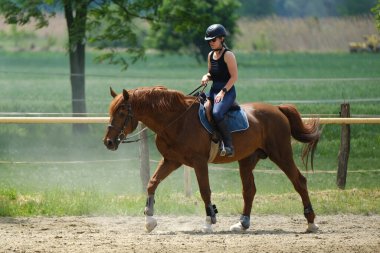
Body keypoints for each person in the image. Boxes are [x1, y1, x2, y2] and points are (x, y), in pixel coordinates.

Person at [201, 24, 238, 157]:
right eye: (209, 40)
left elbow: (234, 77)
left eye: (213, 40)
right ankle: (214, 136)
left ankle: (229, 146)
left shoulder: (228, 55)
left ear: (222, 39)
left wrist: (223, 92)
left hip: (227, 91)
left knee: (216, 113)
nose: (211, 42)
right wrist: (206, 76)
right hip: (213, 91)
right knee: (202, 108)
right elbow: (211, 74)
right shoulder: (210, 55)